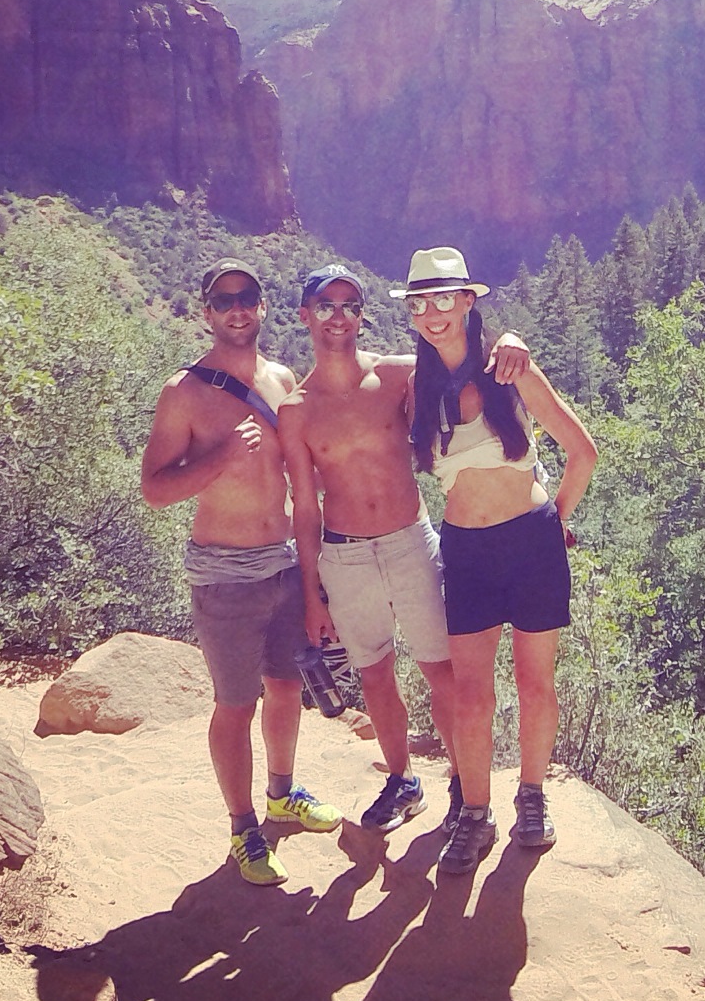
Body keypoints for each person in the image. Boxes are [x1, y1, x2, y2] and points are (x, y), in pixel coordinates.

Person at [281, 264, 533, 838]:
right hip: (344, 554)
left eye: (349, 305)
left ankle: (465, 787)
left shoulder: (397, 376)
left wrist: (509, 340)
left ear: (362, 315)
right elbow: (304, 506)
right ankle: (402, 780)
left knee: (441, 670)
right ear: (305, 316)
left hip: (408, 540)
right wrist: (311, 594)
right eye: (325, 306)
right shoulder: (296, 409)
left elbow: (463, 362)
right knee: (374, 674)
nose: (338, 316)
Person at [395, 245, 597, 877]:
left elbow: (583, 451)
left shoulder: (509, 370)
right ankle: (475, 815)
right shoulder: (417, 390)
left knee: (536, 684)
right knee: (471, 694)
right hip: (468, 551)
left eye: (443, 299)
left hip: (531, 542)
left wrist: (553, 521)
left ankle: (532, 798)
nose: (433, 314)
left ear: (467, 301)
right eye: (420, 304)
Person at [140, 258, 343, 887]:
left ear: (262, 305)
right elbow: (155, 489)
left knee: (285, 687)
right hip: (224, 572)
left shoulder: (281, 380)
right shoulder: (184, 392)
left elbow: (304, 478)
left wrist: (319, 572)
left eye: (247, 296)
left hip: (284, 562)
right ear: (206, 311)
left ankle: (282, 794)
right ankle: (243, 827)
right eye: (224, 299)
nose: (237, 308)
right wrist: (221, 458)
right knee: (235, 704)